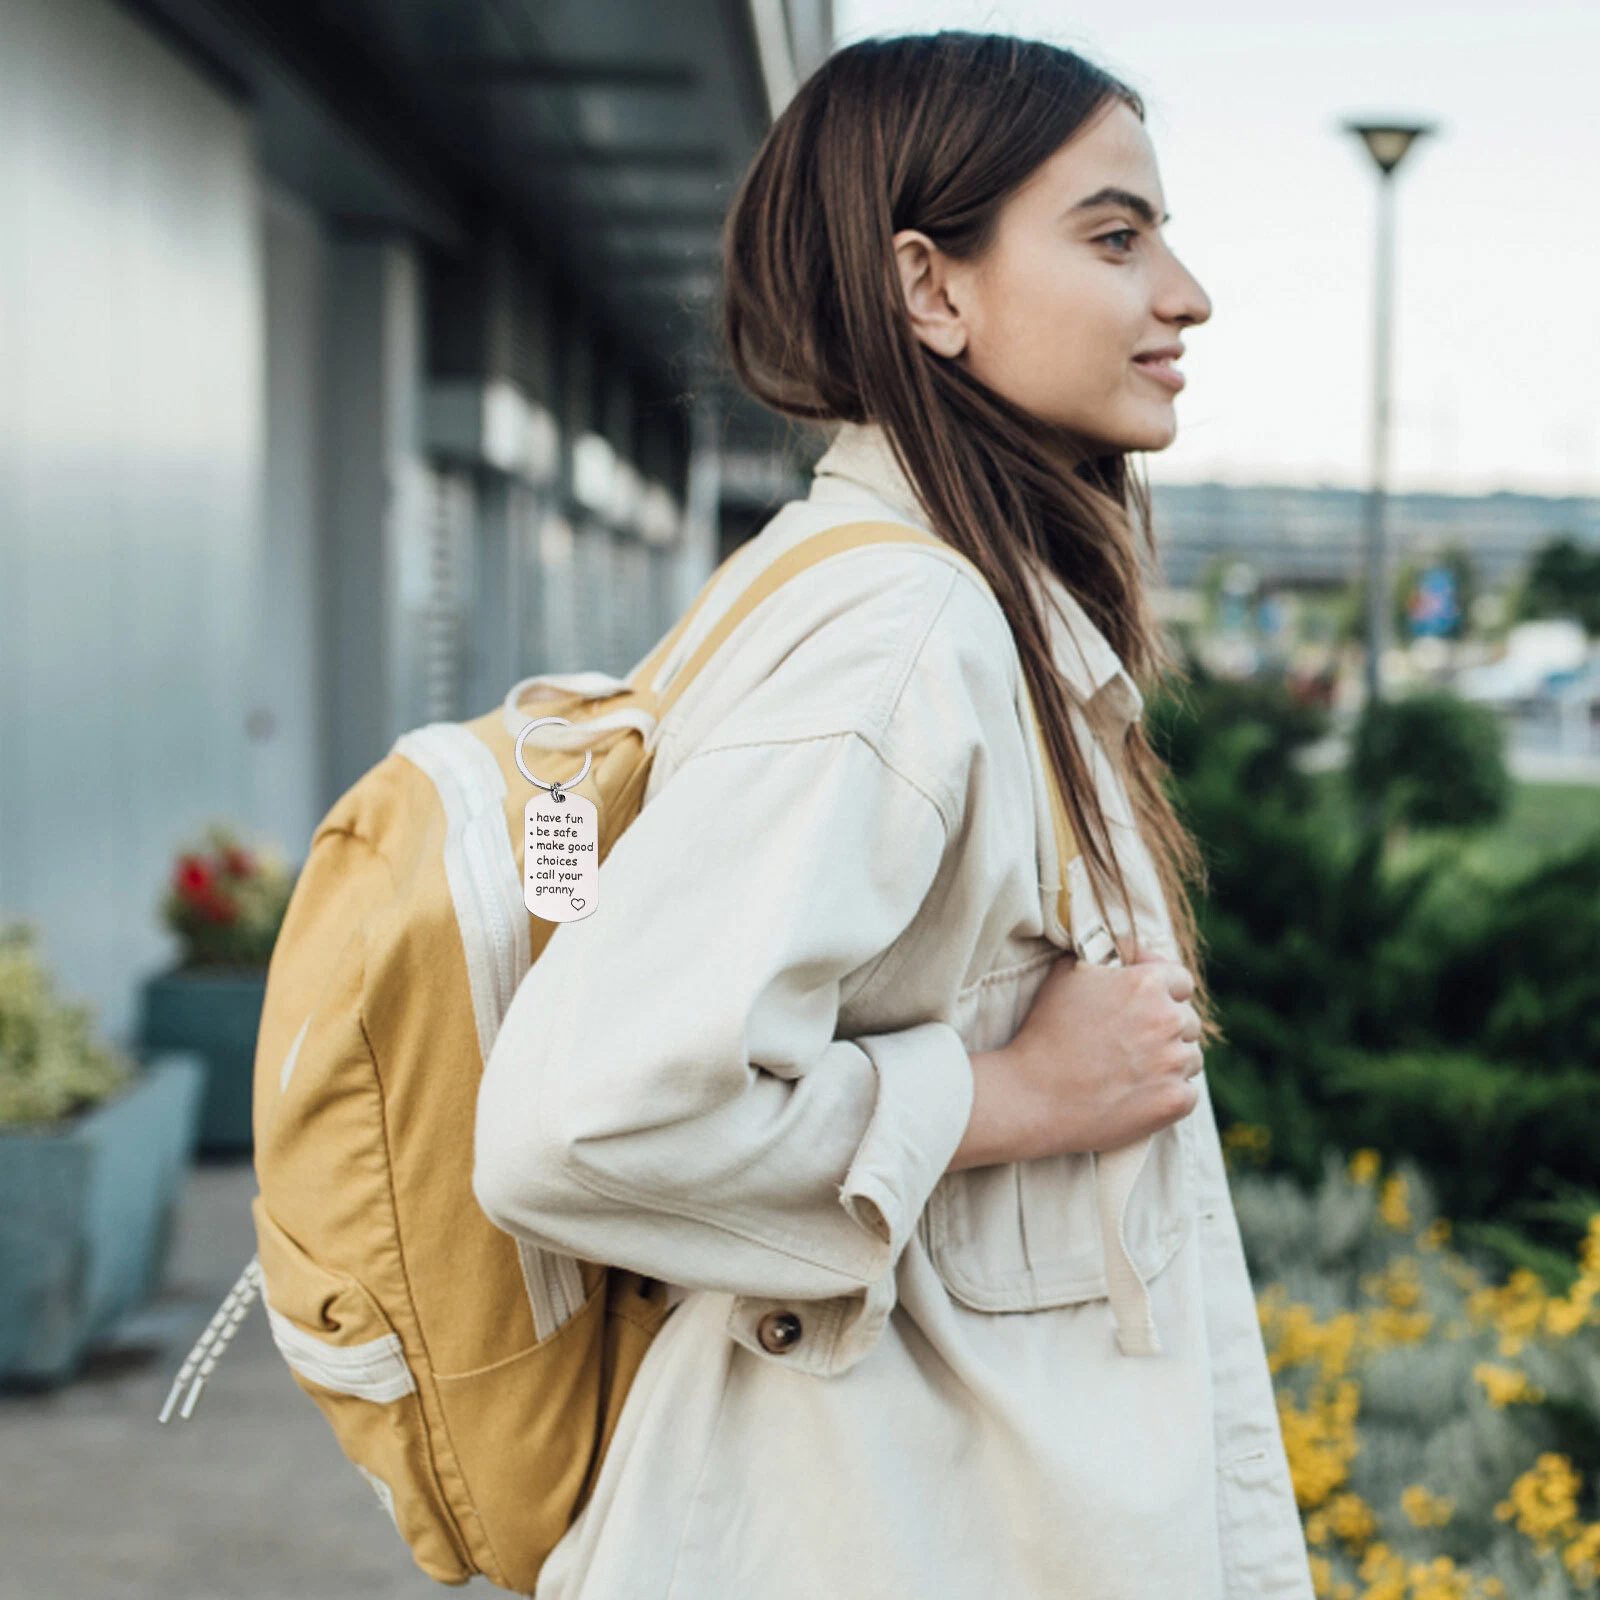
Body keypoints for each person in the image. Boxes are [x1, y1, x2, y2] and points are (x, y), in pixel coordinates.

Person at [474, 30, 1313, 1600]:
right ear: (932, 288)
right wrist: (1016, 1096)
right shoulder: (901, 634)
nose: (1183, 294)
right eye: (1117, 237)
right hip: (864, 1530)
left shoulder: (935, 610)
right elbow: (578, 1124)